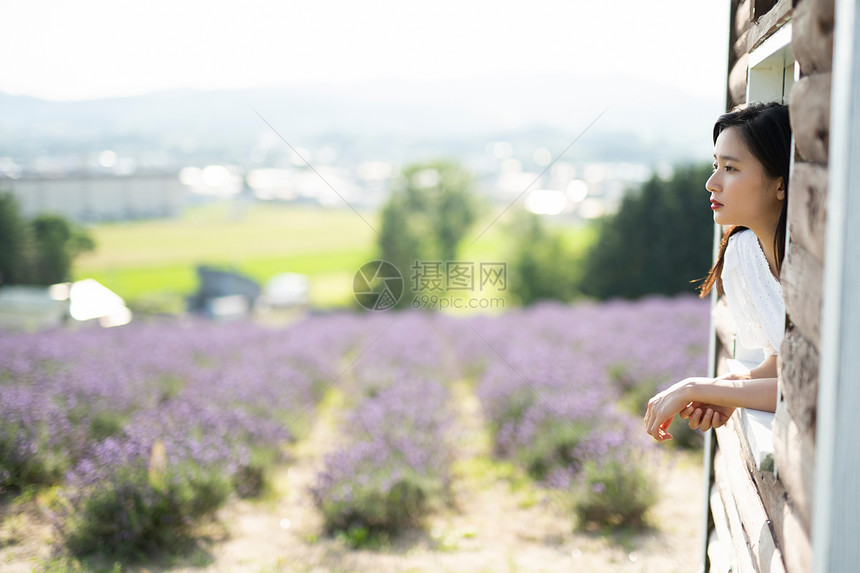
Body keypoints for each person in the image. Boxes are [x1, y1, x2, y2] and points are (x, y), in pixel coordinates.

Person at [644, 101, 791, 442]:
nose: (712, 183)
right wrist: (724, 390)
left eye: (731, 168)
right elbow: (783, 365)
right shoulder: (742, 252)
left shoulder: (820, 264)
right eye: (715, 165)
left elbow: (817, 390)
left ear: (780, 183)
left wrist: (700, 387)